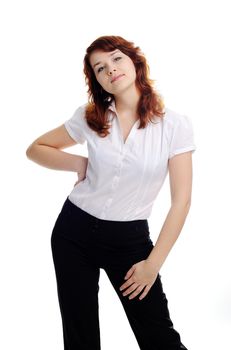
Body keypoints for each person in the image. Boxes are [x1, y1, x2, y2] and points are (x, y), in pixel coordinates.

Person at [26, 35, 196, 350]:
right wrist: (80, 162)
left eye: (116, 59)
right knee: (80, 337)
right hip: (73, 232)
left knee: (160, 338)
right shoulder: (91, 116)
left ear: (134, 61)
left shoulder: (174, 126)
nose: (111, 70)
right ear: (98, 80)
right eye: (100, 68)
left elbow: (181, 202)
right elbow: (35, 149)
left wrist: (152, 264)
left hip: (128, 240)